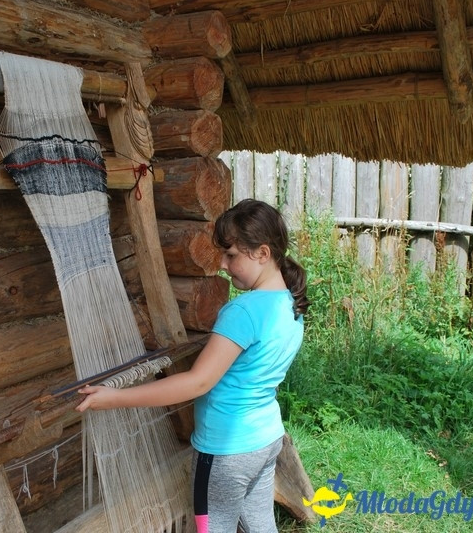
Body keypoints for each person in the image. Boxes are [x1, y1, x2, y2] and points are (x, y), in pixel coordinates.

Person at [76, 198, 309, 533]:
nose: (224, 265)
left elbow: (198, 382)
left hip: (226, 453)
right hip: (266, 439)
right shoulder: (290, 303)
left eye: (231, 255)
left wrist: (112, 398)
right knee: (259, 525)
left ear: (262, 253)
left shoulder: (243, 312)